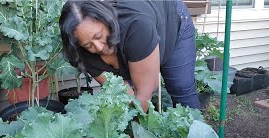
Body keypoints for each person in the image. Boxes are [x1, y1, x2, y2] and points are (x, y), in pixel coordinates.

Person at [59, 0, 200, 111]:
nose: (99, 47)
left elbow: (143, 96)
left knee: (181, 88)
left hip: (170, 19)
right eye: (88, 45)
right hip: (143, 33)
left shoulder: (136, 25)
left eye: (99, 36)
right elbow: (123, 93)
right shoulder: (82, 51)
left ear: (106, 20)